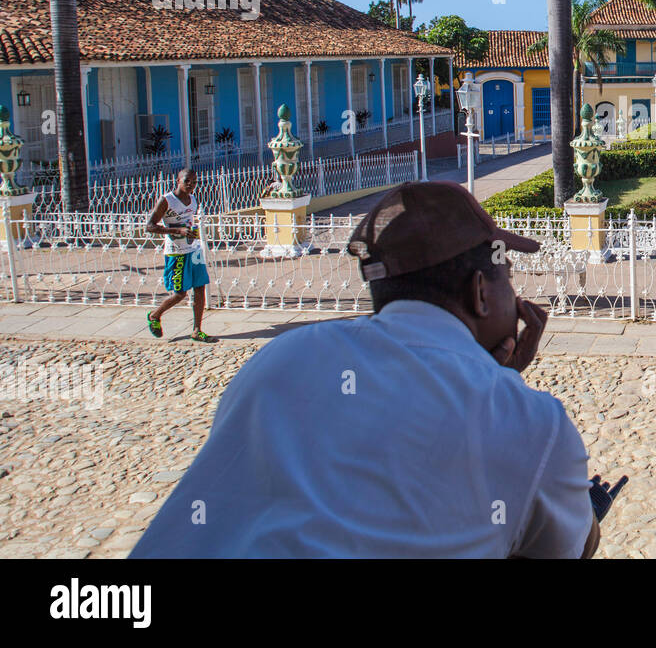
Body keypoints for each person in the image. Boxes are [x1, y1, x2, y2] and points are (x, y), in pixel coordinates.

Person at [132, 181, 613, 558]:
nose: (517, 293)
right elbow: (566, 549)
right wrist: (505, 387)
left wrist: (494, 379)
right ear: (480, 293)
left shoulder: (283, 358)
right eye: (507, 275)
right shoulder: (531, 424)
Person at [144, 168, 214, 343]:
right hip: (176, 252)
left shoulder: (193, 200)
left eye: (194, 182)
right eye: (187, 181)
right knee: (179, 294)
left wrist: (191, 231)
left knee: (200, 288)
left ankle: (197, 330)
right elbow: (150, 226)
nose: (191, 185)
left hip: (193, 250)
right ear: (178, 181)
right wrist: (178, 230)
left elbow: (189, 221)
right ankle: (155, 315)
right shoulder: (167, 200)